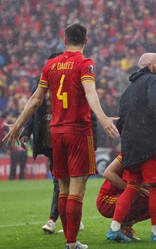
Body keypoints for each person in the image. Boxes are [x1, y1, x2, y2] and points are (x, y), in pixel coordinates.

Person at [3, 23, 120, 249]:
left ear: (64, 41)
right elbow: (90, 92)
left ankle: (71, 241)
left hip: (56, 133)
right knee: (78, 188)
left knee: (64, 188)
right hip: (78, 130)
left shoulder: (51, 65)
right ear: (86, 41)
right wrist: (104, 118)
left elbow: (36, 99)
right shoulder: (85, 64)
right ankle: (71, 242)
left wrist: (18, 123)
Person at [107, 52, 156, 242]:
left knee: (132, 186)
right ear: (149, 65)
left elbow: (120, 120)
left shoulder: (128, 89)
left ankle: (114, 228)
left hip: (131, 146)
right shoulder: (154, 81)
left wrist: (128, 140)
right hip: (150, 144)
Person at [19, 52, 85, 234]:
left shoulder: (71, 82)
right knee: (65, 181)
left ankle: (53, 220)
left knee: (61, 182)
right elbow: (35, 111)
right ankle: (74, 218)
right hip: (49, 141)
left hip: (66, 136)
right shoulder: (41, 84)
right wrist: (25, 131)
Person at [97, 153, 156, 241]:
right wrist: (135, 189)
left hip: (128, 194)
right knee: (134, 192)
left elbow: (146, 182)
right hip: (106, 199)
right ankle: (117, 227)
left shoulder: (149, 152)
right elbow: (108, 173)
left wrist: (153, 189)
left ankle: (126, 224)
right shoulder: (132, 150)